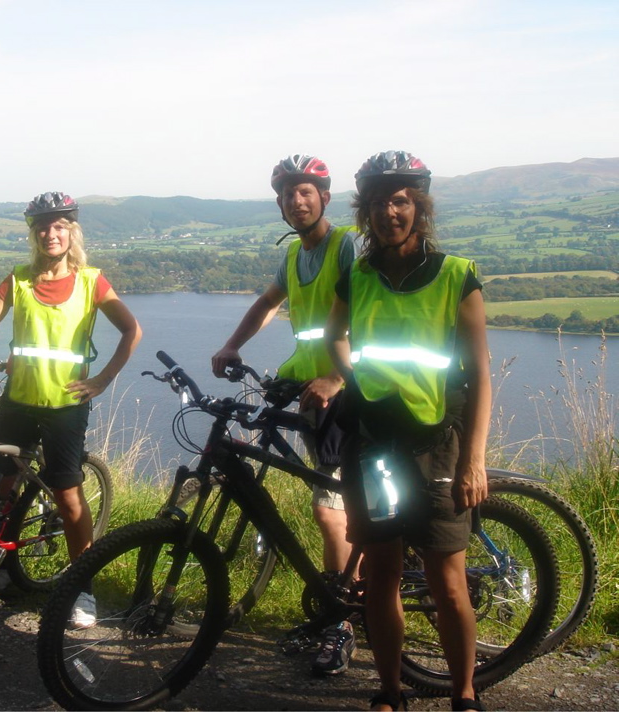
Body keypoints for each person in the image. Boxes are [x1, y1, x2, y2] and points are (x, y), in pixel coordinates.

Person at [0, 191, 142, 628]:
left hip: (63, 408)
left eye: (60, 226)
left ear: (72, 232)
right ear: (33, 233)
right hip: (17, 403)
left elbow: (132, 330)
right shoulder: (18, 280)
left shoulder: (92, 281)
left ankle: (81, 587)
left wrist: (102, 379)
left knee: (68, 496)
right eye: (43, 227)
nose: (51, 233)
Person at [324, 151, 490, 712]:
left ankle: (464, 695)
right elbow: (336, 336)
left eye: (400, 201)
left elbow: (481, 373)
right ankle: (390, 689)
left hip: (437, 443)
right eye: (378, 203)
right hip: (375, 445)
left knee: (447, 582)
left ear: (418, 207)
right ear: (365, 212)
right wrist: (355, 381)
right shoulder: (358, 273)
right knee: (384, 571)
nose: (389, 212)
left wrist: (474, 459)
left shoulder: (455, 275)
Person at [210, 154, 360, 676]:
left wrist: (339, 377)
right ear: (279, 204)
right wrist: (232, 345)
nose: (296, 200)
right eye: (287, 194)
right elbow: (266, 302)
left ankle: (341, 621)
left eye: (305, 191)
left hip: (348, 389)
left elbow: (372, 317)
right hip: (308, 384)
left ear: (323, 197)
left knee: (330, 507)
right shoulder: (295, 256)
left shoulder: (347, 246)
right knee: (324, 491)